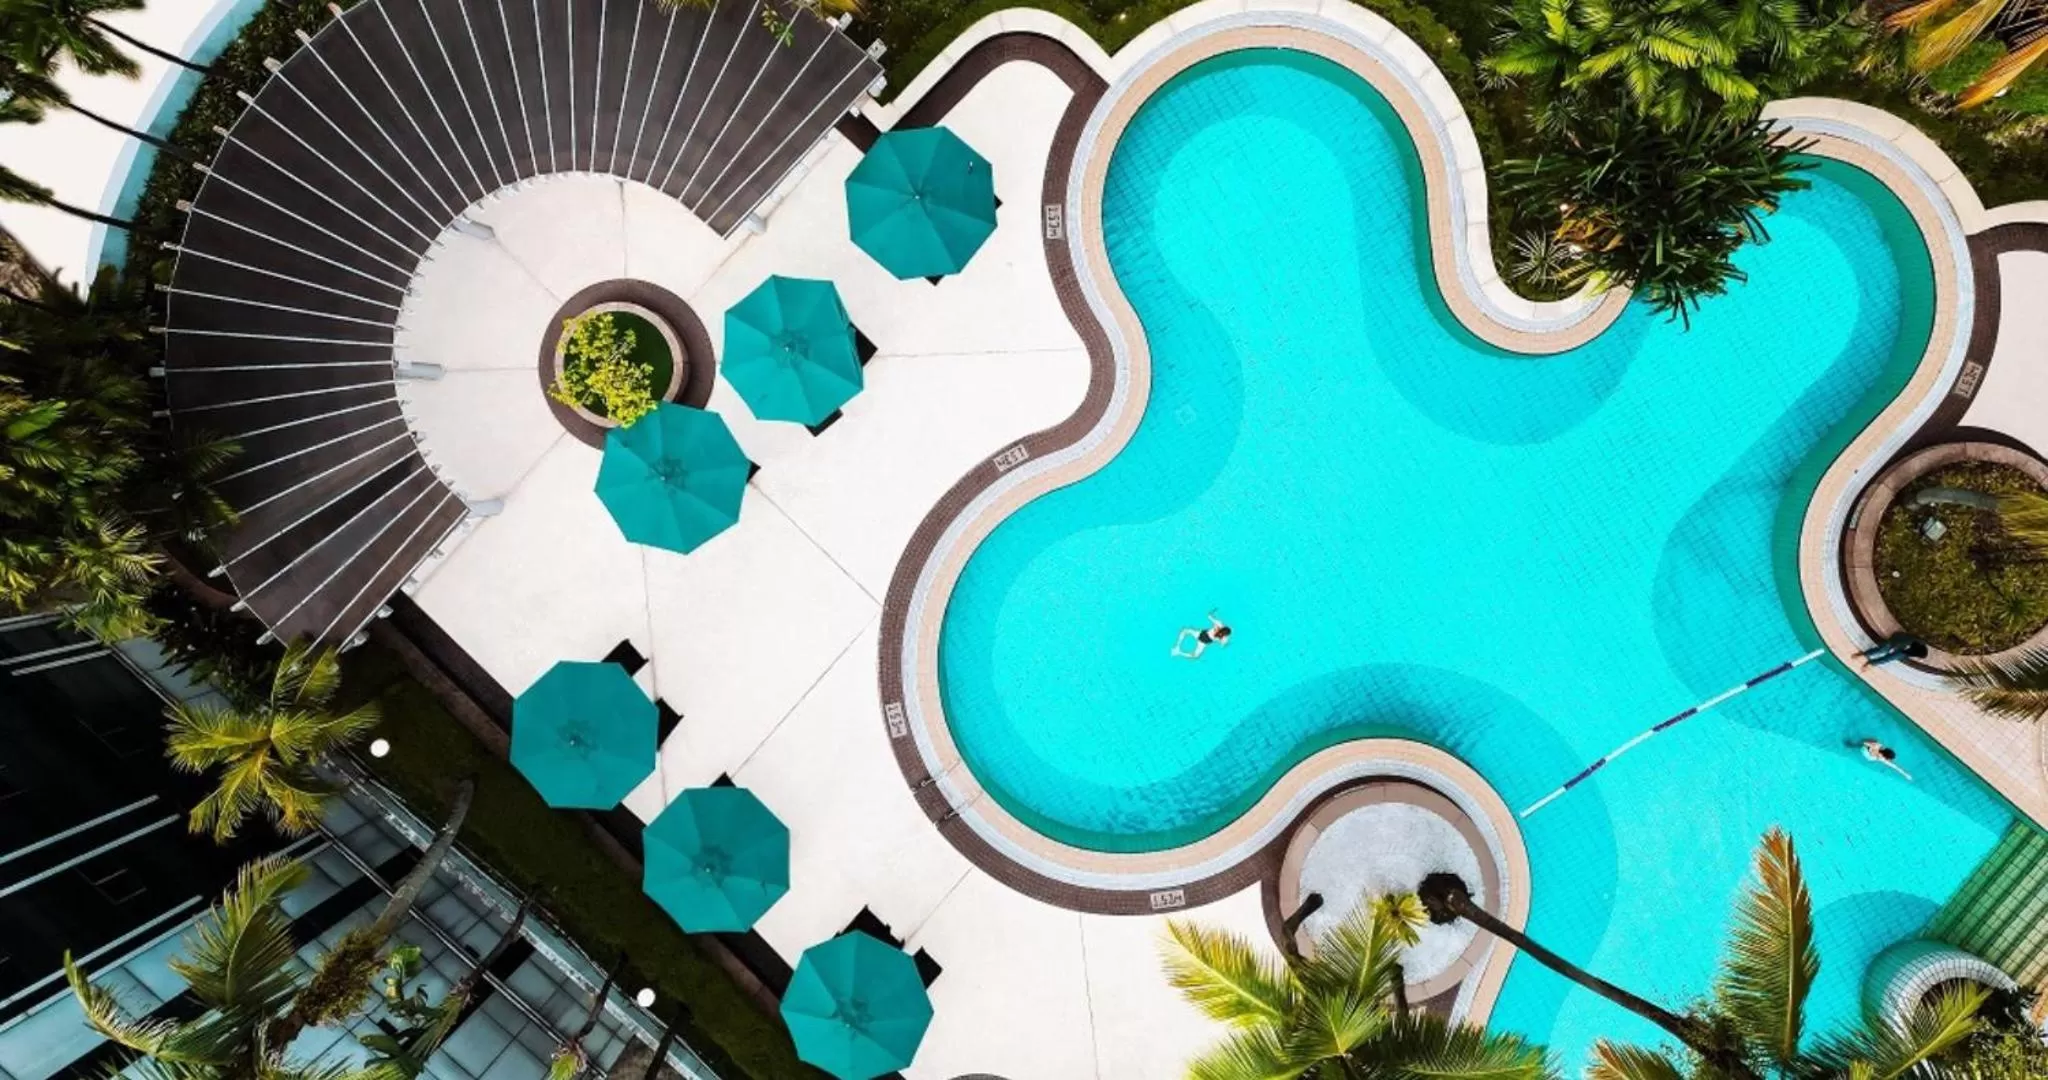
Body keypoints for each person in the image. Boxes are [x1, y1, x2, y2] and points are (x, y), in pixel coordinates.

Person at [1858, 632, 1929, 669]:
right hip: (1896, 639)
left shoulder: (1911, 651)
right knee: (1883, 651)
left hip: (1901, 647)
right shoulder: (1913, 642)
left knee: (1890, 657)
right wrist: (1893, 648)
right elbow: (1896, 642)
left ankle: (1871, 663)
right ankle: (1864, 654)